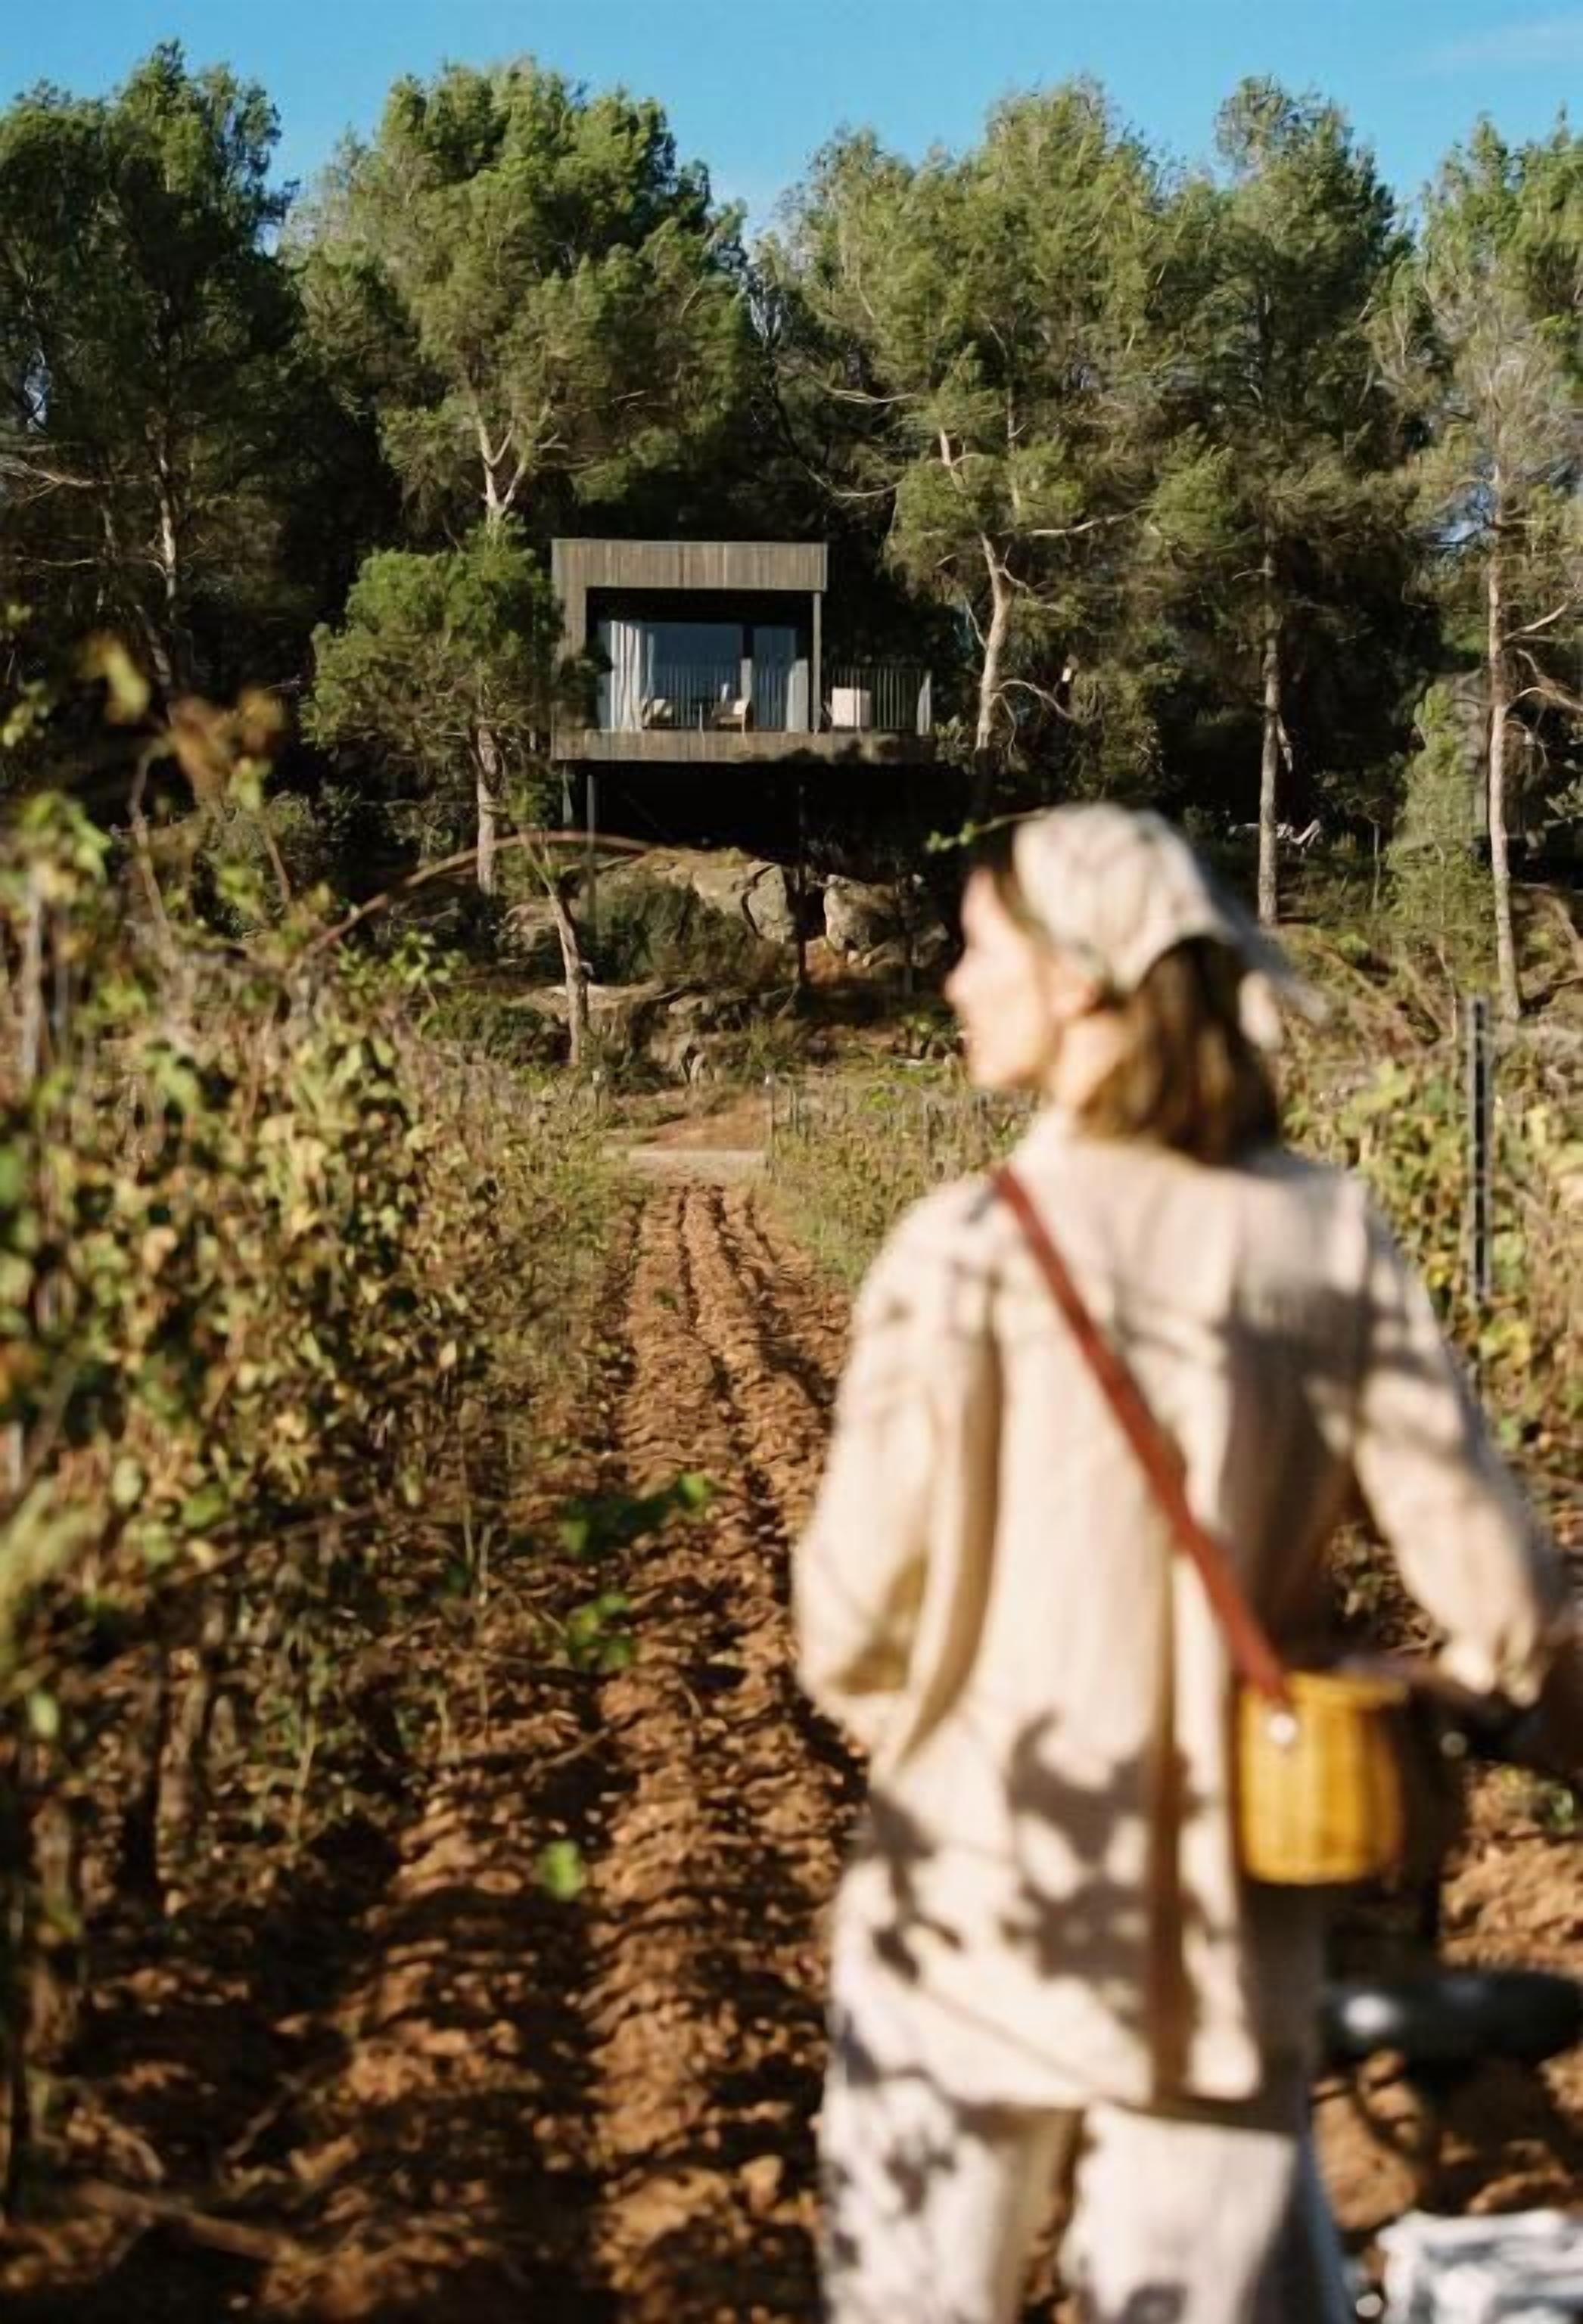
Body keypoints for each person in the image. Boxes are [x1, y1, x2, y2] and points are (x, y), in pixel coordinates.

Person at [793, 805, 1574, 2324]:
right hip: (1214, 1934)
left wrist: (939, 1716)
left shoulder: (960, 1250)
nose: (952, 982)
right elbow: (1503, 1600)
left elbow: (845, 1618)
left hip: (968, 1905)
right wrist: (1432, 1688)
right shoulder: (1318, 1237)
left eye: (978, 947)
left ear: (1079, 976)